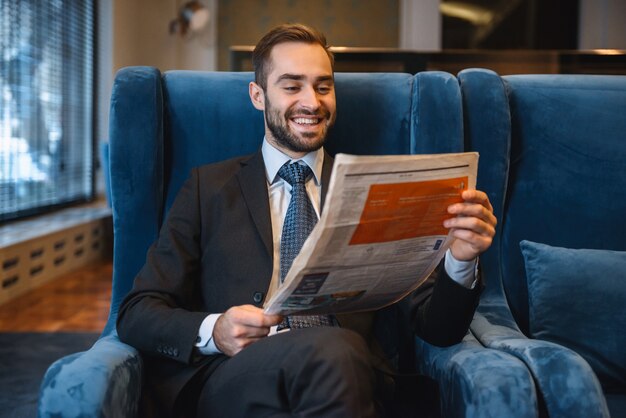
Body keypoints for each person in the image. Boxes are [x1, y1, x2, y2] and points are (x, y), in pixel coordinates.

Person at [117, 23, 497, 418]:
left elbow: (439, 329)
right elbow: (138, 311)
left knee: (336, 350)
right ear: (258, 96)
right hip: (236, 376)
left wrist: (462, 259)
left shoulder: (377, 191)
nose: (312, 103)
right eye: (292, 85)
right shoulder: (206, 188)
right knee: (332, 347)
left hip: (352, 378)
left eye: (323, 86)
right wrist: (215, 331)